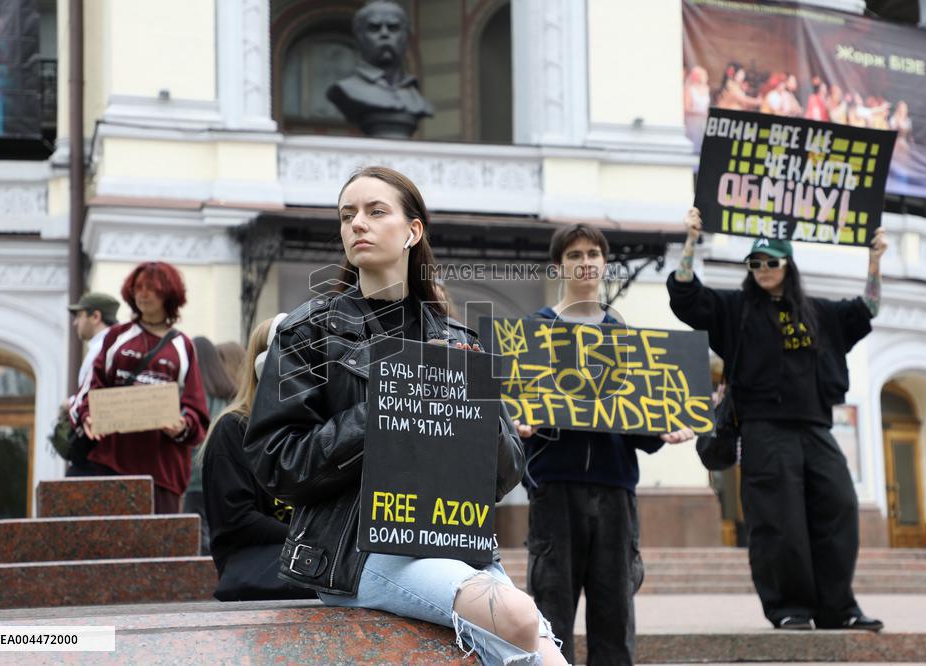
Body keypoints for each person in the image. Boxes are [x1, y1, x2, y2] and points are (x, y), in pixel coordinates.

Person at [243, 166, 567, 665]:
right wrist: (388, 403)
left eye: (376, 211)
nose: (358, 224)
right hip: (356, 554)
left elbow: (504, 473)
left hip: (452, 541)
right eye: (347, 215)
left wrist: (466, 396)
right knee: (521, 621)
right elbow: (277, 463)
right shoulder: (307, 332)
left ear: (413, 231)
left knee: (543, 653)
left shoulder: (459, 341)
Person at [668, 208, 887, 632]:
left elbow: (868, 308)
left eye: (772, 262)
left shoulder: (819, 312)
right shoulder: (735, 308)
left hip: (815, 427)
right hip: (764, 429)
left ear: (788, 266)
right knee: (778, 520)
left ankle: (838, 607)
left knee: (838, 506)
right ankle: (790, 607)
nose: (764, 269)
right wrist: (691, 242)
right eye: (756, 263)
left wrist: (875, 258)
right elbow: (686, 295)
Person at [513, 223, 695, 666]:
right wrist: (518, 421)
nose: (586, 262)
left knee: (615, 610)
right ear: (559, 267)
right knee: (551, 608)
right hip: (554, 486)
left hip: (616, 489)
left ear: (604, 263)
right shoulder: (534, 331)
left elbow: (636, 420)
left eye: (593, 254)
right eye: (574, 255)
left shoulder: (624, 334)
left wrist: (664, 430)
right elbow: (512, 407)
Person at [73, 261, 210, 514]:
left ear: (168, 293)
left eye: (152, 288)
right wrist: (87, 415)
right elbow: (91, 387)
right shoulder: (116, 337)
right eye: (138, 288)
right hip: (113, 461)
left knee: (161, 547)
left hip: (162, 469)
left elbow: (196, 408)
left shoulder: (183, 345)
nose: (143, 294)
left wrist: (182, 425)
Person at [200, 316, 317, 601]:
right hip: (260, 571)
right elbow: (237, 520)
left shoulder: (313, 429)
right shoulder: (231, 430)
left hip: (309, 563)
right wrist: (311, 539)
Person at [326, 0, 433, 138]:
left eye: (393, 28)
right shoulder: (346, 89)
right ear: (360, 36)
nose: (384, 34)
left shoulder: (417, 98)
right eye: (374, 28)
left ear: (405, 37)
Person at [184, 336, 237, 555]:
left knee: (197, 539)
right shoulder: (229, 395)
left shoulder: (192, 398)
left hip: (195, 477)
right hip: (222, 476)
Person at [62, 292, 120, 476]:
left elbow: (95, 396)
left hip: (98, 447)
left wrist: (69, 404)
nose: (75, 322)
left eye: (79, 316)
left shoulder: (101, 349)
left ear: (96, 317)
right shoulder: (110, 345)